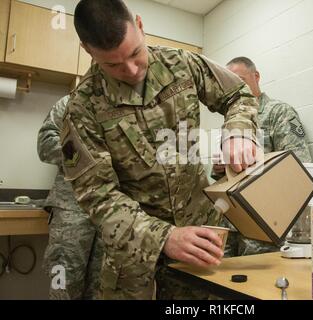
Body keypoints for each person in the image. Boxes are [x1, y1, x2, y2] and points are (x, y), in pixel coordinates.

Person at [61, 0, 260, 300]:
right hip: (135, 266)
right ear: (87, 50)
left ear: (140, 25)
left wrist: (239, 133)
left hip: (203, 248)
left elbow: (238, 94)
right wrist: (163, 237)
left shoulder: (181, 64)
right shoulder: (82, 108)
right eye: (113, 64)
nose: (130, 69)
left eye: (135, 53)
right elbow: (98, 197)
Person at [213, 57, 312, 257]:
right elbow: (222, 178)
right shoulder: (231, 123)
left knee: (257, 282)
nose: (235, 87)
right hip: (231, 219)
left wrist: (252, 163)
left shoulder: (279, 112)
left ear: (256, 77)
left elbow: (298, 166)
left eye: (240, 80)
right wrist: (219, 168)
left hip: (263, 220)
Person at [37, 95, 103, 299]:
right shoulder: (71, 102)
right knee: (63, 285)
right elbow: (46, 144)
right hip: (71, 208)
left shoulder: (128, 110)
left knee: (102, 288)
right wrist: (85, 157)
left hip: (112, 212)